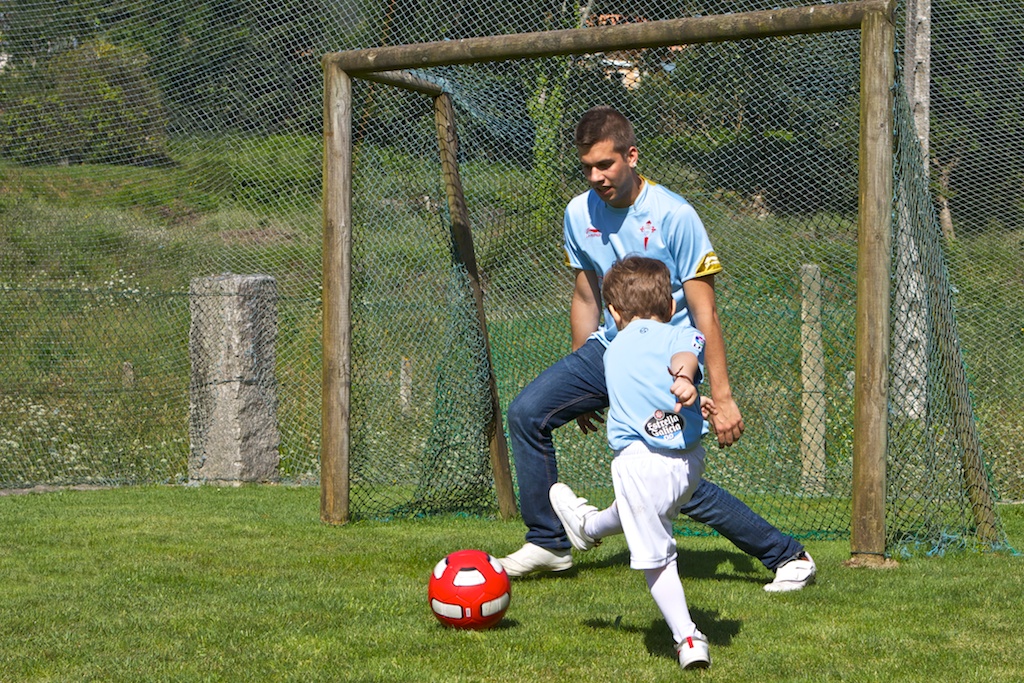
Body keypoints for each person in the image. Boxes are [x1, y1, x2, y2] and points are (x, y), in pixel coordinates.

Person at [500, 105, 815, 593]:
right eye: (587, 167)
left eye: (605, 164)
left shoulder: (674, 215)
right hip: (609, 352)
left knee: (670, 480)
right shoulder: (578, 212)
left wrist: (724, 397)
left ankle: (788, 555)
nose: (596, 177)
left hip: (667, 361)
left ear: (631, 156)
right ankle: (548, 542)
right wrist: (584, 373)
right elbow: (586, 294)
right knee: (526, 414)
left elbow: (706, 315)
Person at [550, 255, 717, 669]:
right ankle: (588, 526)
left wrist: (683, 378)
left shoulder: (610, 347)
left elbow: (677, 364)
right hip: (688, 465)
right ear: (672, 306)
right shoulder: (683, 332)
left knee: (657, 558)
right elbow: (683, 357)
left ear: (612, 312)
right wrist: (688, 385)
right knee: (639, 512)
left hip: (640, 461)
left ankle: (687, 637)